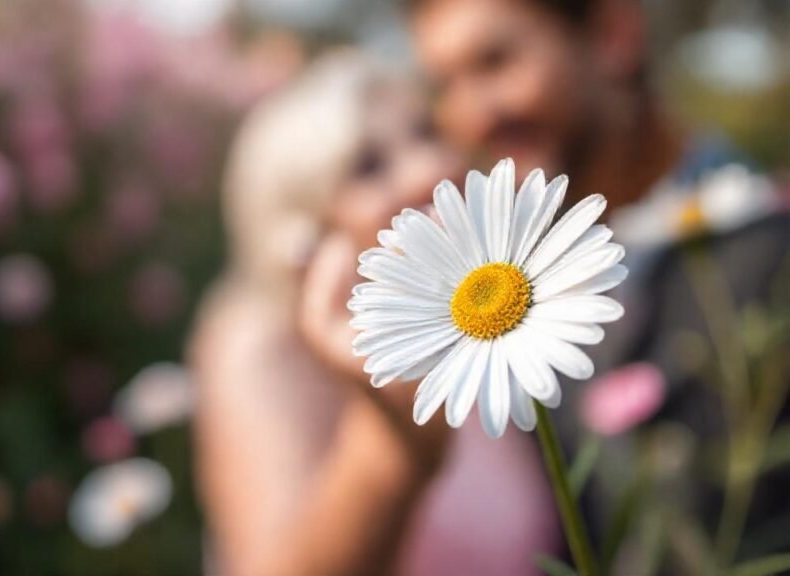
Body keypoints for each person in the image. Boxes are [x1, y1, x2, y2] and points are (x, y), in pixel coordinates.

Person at [293, 0, 790, 572]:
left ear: (612, 35)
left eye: (495, 62)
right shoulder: (503, 304)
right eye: (445, 86)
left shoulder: (765, 254)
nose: (468, 116)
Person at [190, 51, 558, 576]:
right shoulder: (261, 351)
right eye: (367, 166)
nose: (431, 169)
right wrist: (394, 437)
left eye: (427, 132)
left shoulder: (477, 332)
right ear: (301, 233)